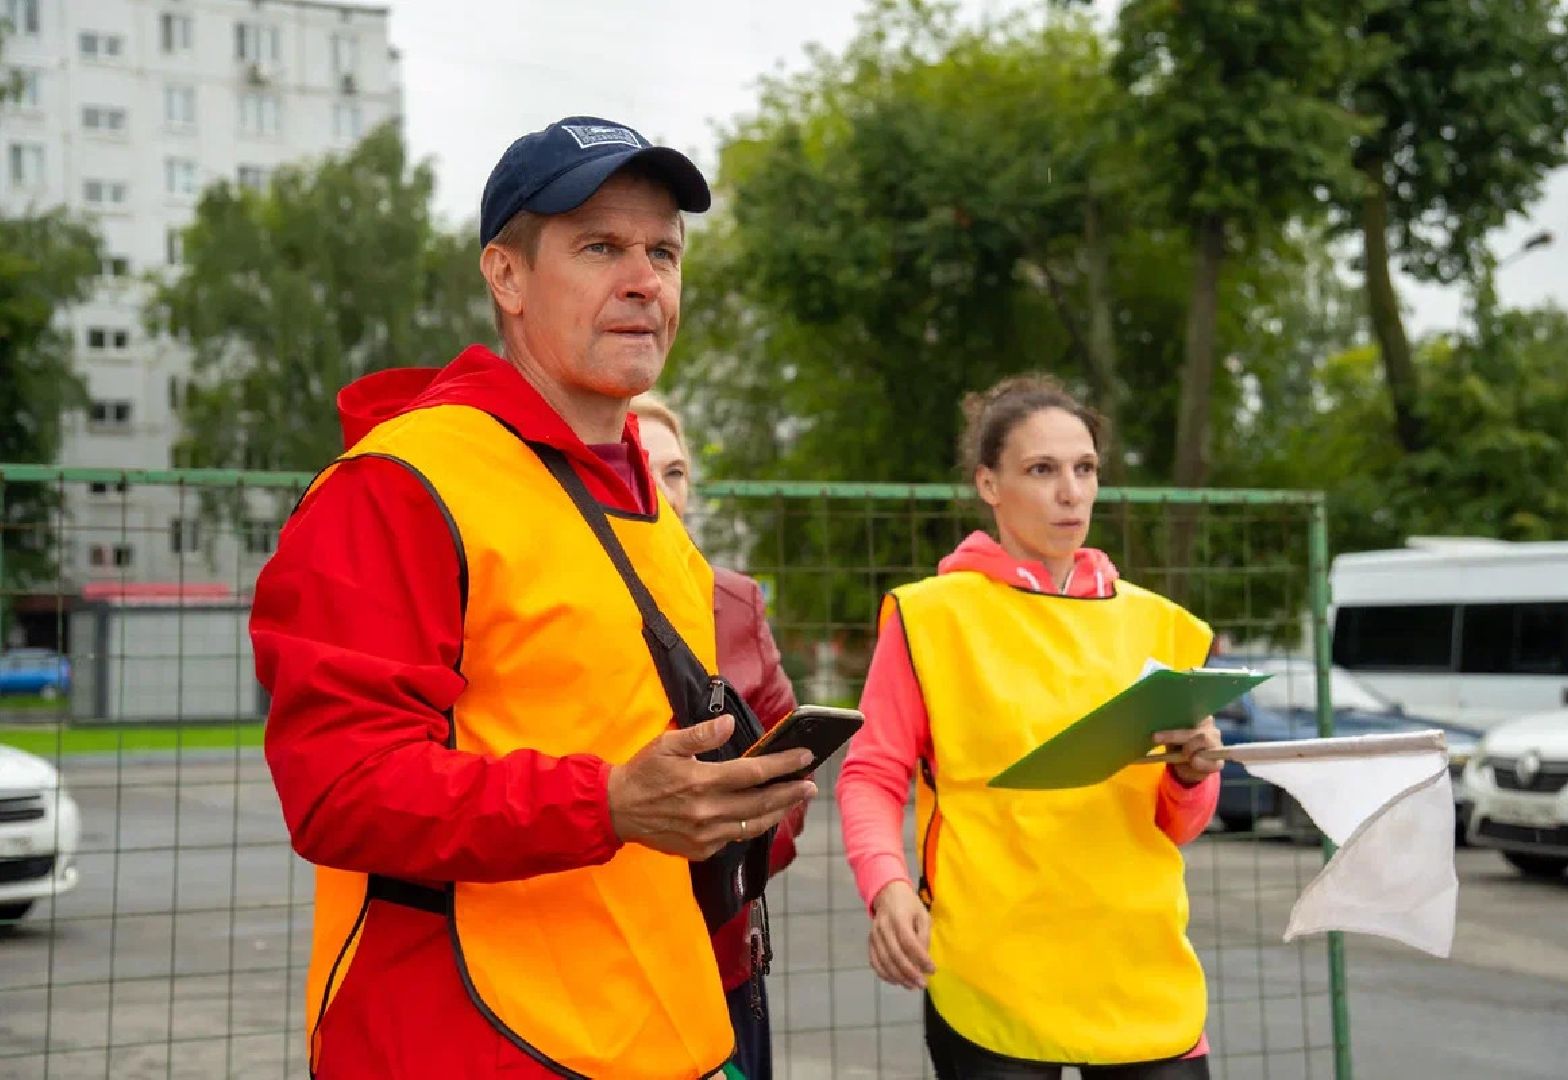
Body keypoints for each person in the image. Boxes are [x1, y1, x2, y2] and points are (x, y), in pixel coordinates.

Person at [251, 116, 815, 1080]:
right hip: (470, 1039)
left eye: (663, 251)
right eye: (600, 246)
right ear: (506, 277)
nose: (645, 279)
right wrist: (606, 804)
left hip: (661, 1032)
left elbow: (637, 760)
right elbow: (340, 791)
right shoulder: (401, 482)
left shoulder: (639, 488)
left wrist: (737, 805)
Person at [836, 374, 1225, 1080]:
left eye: (1084, 469)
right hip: (993, 971)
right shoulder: (932, 617)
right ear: (989, 483)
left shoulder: (1160, 626)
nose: (1070, 492)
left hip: (1139, 969)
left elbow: (1177, 824)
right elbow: (871, 773)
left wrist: (1192, 775)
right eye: (1041, 470)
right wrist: (887, 886)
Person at [633, 392, 805, 1080]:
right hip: (597, 958)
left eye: (676, 473)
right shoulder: (553, 597)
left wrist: (742, 837)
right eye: (640, 468)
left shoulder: (733, 602)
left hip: (721, 956)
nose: (664, 492)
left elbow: (790, 772)